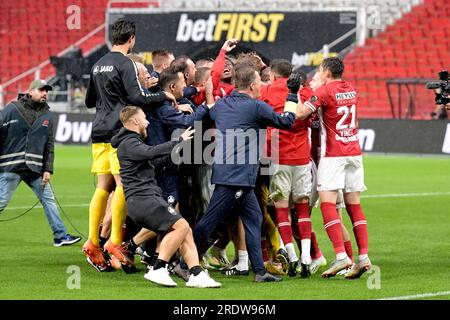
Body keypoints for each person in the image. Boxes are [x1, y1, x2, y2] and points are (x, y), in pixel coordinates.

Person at [82, 18, 176, 272]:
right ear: (132, 39)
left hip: (98, 131)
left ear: (114, 37)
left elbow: (90, 100)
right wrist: (163, 95)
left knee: (103, 188)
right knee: (124, 184)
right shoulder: (126, 64)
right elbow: (138, 97)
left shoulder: (98, 64)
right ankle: (114, 242)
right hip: (117, 132)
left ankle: (92, 241)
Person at [193, 65, 302, 282]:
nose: (262, 86)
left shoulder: (222, 105)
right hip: (237, 176)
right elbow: (287, 121)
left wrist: (207, 94)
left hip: (231, 173)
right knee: (209, 222)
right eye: (260, 83)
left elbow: (211, 111)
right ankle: (183, 261)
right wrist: (292, 94)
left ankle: (260, 272)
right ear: (252, 85)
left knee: (254, 218)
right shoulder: (256, 107)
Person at [111, 106, 221, 288]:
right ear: (135, 121)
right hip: (143, 199)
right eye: (145, 118)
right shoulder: (128, 143)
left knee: (184, 230)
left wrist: (177, 150)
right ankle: (158, 268)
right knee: (181, 226)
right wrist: (177, 141)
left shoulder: (132, 142)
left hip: (145, 199)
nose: (148, 122)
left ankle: (196, 273)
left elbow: (153, 162)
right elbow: (150, 153)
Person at [290, 57, 371, 279]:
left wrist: (296, 92)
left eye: (318, 71)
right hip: (354, 151)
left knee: (327, 204)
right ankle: (363, 257)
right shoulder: (351, 89)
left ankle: (341, 256)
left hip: (333, 154)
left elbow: (299, 114)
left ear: (326, 72)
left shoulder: (325, 92)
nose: (317, 74)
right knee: (354, 205)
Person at [0, 79, 81, 247]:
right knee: (1, 202)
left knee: (48, 199)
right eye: (41, 90)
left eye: (47, 91)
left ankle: (60, 236)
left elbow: (49, 145)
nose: (45, 93)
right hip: (11, 166)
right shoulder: (12, 109)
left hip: (34, 168)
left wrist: (48, 169)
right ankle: (60, 235)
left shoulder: (47, 115)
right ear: (30, 92)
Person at [262, 59, 313, 278]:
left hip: (278, 155)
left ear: (273, 75)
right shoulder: (305, 91)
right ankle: (306, 258)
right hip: (302, 155)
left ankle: (291, 255)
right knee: (302, 206)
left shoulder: (268, 91)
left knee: (281, 207)